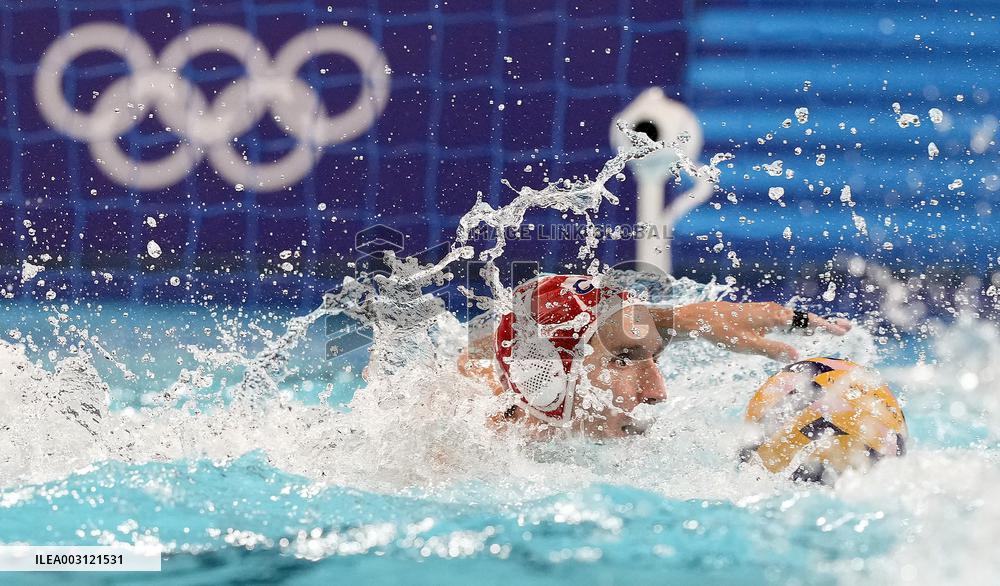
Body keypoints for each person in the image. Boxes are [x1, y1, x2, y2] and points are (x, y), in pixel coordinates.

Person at [457, 274, 852, 438]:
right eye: (623, 360)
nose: (657, 393)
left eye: (655, 359)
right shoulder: (445, 456)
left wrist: (682, 319)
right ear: (545, 378)